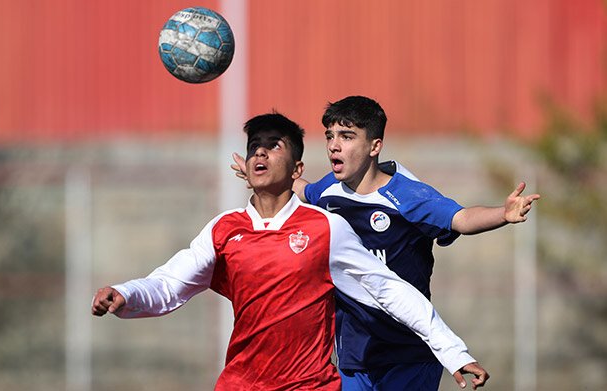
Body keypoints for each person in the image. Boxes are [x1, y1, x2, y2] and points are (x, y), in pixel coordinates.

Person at [92, 112, 489, 390]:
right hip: (240, 384)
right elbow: (171, 283)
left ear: (297, 169)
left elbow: (389, 289)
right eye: (254, 148)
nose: (260, 154)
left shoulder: (325, 228)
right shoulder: (225, 228)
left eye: (272, 146)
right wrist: (126, 293)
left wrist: (453, 352)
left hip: (309, 385)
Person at [231, 96, 538, 391]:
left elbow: (461, 218)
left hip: (408, 356)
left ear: (375, 146)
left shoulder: (407, 196)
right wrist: (263, 173)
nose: (334, 145)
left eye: (347, 136)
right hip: (355, 356)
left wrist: (503, 213)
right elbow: (303, 189)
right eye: (330, 136)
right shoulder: (329, 191)